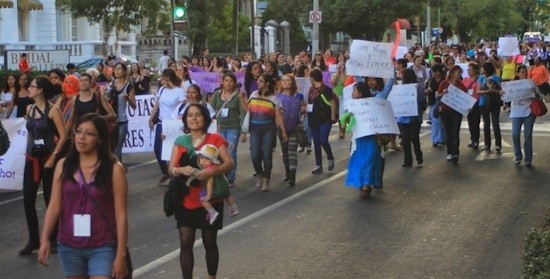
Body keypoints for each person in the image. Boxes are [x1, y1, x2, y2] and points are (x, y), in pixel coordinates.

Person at [37, 113, 129, 279]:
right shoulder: (63, 165)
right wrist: (44, 239)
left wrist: (121, 253)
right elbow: (54, 206)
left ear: (100, 138)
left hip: (102, 244)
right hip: (69, 244)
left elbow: (121, 214)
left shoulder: (114, 169)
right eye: (79, 131)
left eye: (89, 133)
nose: (81, 137)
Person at [169, 103, 233, 279]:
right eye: (190, 115)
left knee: (210, 242)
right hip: (186, 198)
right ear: (185, 119)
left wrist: (211, 171)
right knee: (185, 243)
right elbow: (171, 168)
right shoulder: (180, 141)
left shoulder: (215, 139)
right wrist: (180, 170)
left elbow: (229, 163)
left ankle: (211, 277)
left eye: (197, 115)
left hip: (210, 199)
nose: (193, 118)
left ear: (204, 118)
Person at [20, 76, 67, 255]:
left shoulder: (54, 110)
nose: (28, 89)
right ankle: (33, 239)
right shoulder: (29, 108)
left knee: (50, 199)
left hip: (49, 160)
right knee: (28, 199)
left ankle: (53, 238)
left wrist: (53, 158)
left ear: (40, 90)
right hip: (31, 160)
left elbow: (63, 136)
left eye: (32, 86)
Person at [241, 73, 287, 191]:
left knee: (267, 155)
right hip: (254, 129)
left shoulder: (274, 99)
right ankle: (259, 174)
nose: (258, 82)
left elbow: (279, 116)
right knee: (255, 155)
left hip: (268, 130)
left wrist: (283, 131)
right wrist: (242, 99)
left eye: (260, 81)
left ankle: (267, 178)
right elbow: (248, 111)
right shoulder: (253, 95)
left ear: (266, 84)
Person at [341, 82, 382, 199]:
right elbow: (350, 122)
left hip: (371, 137)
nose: (352, 93)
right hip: (358, 138)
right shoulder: (353, 105)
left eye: (354, 90)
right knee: (360, 162)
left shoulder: (373, 104)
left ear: (361, 93)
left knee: (368, 161)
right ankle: (362, 183)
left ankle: (366, 185)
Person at [149, 68, 186, 184]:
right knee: (158, 148)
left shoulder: (179, 91)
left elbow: (183, 107)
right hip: (161, 122)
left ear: (168, 77)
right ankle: (165, 172)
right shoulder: (161, 90)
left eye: (163, 77)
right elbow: (156, 105)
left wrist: (179, 119)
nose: (161, 80)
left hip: (173, 124)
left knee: (173, 150)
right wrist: (151, 119)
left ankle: (174, 173)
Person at [210, 72, 246, 187]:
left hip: (234, 128)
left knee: (231, 151)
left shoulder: (237, 96)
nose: (228, 83)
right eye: (226, 80)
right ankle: (222, 174)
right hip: (220, 128)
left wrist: (243, 131)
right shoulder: (216, 94)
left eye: (231, 81)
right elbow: (212, 111)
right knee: (220, 153)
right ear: (222, 82)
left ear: (234, 83)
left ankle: (230, 177)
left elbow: (243, 113)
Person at [193, 144, 239, 225]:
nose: (203, 161)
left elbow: (210, 184)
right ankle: (234, 207)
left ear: (212, 160)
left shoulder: (209, 171)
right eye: (201, 158)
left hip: (215, 190)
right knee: (228, 194)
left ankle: (212, 212)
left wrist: (209, 195)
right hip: (224, 187)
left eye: (207, 159)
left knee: (202, 199)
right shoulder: (218, 167)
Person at [502, 65, 537, 167]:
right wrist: (502, 93)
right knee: (515, 134)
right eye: (522, 72)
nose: (524, 74)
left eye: (525, 72)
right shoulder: (512, 85)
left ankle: (528, 159)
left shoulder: (530, 83)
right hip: (516, 113)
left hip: (528, 112)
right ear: (517, 73)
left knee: (527, 136)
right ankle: (518, 155)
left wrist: (535, 93)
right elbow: (505, 99)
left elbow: (538, 97)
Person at [277, 74, 305, 186]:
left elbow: (303, 108)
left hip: (294, 127)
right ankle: (287, 172)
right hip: (281, 128)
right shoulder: (277, 96)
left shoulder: (299, 96)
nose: (285, 82)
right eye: (283, 80)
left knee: (292, 151)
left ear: (292, 82)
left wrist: (303, 110)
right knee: (285, 152)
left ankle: (293, 175)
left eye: (287, 80)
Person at [307, 69, 336, 174]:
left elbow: (333, 102)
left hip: (325, 119)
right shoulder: (310, 89)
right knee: (317, 142)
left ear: (313, 78)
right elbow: (309, 102)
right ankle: (318, 165)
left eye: (310, 77)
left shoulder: (325, 89)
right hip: (313, 118)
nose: (309, 79)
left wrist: (333, 116)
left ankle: (330, 157)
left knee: (323, 140)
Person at [437, 65, 468, 164]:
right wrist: (443, 93)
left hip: (456, 112)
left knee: (455, 132)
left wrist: (468, 106)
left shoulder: (461, 85)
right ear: (452, 73)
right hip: (445, 111)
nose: (459, 75)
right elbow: (438, 95)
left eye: (460, 73)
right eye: (458, 73)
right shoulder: (444, 83)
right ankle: (449, 152)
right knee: (448, 132)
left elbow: (465, 99)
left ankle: (455, 153)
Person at [108, 62, 137, 164]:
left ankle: (119, 171)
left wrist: (128, 99)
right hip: (110, 120)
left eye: (119, 69)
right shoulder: (111, 85)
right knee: (109, 148)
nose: (117, 71)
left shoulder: (129, 86)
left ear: (124, 71)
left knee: (117, 149)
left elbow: (134, 106)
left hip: (122, 121)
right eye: (115, 69)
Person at [397, 69, 425, 167]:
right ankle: (407, 160)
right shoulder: (400, 86)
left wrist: (415, 95)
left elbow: (422, 98)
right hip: (403, 117)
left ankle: (418, 155)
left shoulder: (417, 86)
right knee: (405, 139)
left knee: (414, 137)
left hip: (415, 116)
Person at [477, 62, 503, 152]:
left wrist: (492, 89)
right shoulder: (481, 78)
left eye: (483, 68)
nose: (481, 69)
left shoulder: (496, 78)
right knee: (486, 123)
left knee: (495, 123)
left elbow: (501, 90)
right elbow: (478, 90)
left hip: (494, 103)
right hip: (484, 103)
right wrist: (487, 91)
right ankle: (487, 144)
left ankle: (498, 144)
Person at [425, 64, 446, 147]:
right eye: (434, 71)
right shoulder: (430, 80)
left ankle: (443, 138)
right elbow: (425, 90)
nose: (436, 73)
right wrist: (428, 90)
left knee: (443, 121)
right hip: (433, 102)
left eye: (438, 71)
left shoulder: (445, 80)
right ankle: (436, 140)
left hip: (443, 102)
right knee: (435, 121)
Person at [463, 62, 481, 149]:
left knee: (476, 122)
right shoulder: (466, 79)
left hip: (476, 102)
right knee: (470, 121)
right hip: (467, 102)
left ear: (475, 71)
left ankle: (476, 140)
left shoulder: (479, 80)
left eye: (470, 70)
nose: (468, 71)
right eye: (468, 70)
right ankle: (472, 139)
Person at [331, 61, 347, 138]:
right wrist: (338, 74)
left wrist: (342, 73)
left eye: (342, 65)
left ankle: (342, 130)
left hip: (343, 97)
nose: (340, 67)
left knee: (342, 114)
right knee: (338, 114)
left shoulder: (347, 75)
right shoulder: (334, 74)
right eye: (339, 65)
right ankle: (340, 129)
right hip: (336, 96)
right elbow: (333, 83)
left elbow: (345, 83)